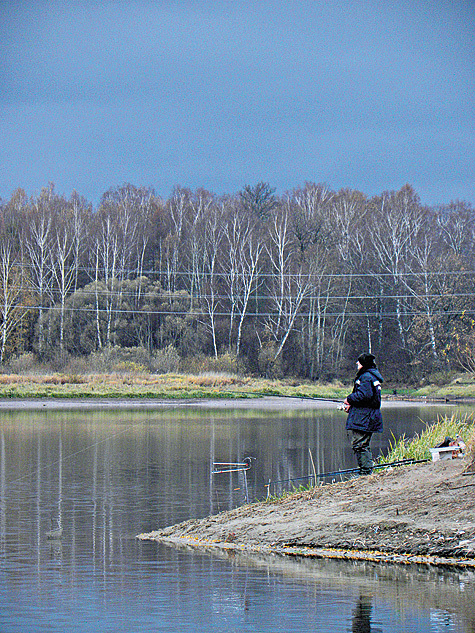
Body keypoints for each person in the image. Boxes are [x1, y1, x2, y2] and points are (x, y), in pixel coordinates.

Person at [343, 353, 383, 475]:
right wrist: (352, 407)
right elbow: (368, 399)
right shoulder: (371, 376)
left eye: (359, 362)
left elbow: (364, 395)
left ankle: (365, 471)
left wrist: (349, 399)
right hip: (366, 415)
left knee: (360, 444)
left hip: (365, 418)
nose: (357, 363)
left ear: (364, 364)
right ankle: (365, 470)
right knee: (361, 444)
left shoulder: (366, 377)